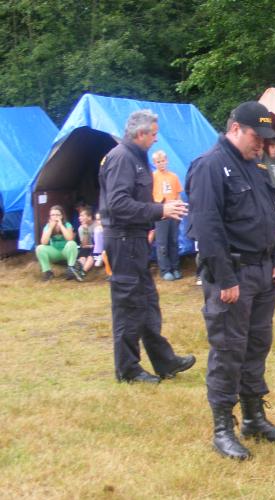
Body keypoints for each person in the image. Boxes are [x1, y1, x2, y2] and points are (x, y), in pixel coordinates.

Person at [185, 101, 275, 461]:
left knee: (256, 346)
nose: (260, 143)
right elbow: (207, 227)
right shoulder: (209, 167)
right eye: (255, 136)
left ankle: (253, 417)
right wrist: (224, 277)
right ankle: (222, 428)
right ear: (234, 129)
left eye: (265, 138)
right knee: (229, 350)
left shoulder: (257, 169)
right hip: (233, 274)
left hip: (263, 272)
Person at [98, 109, 195, 385]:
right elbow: (118, 205)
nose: (156, 138)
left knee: (148, 303)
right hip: (123, 241)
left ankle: (164, 362)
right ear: (140, 134)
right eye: (153, 133)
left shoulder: (135, 158)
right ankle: (128, 370)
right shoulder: (121, 159)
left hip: (136, 240)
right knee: (128, 305)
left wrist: (156, 214)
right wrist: (159, 210)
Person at [152, 150, 183, 281]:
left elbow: (178, 194)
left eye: (163, 161)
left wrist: (179, 207)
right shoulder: (153, 177)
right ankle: (165, 269)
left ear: (167, 161)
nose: (161, 164)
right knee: (162, 243)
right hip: (161, 214)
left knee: (174, 241)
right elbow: (152, 196)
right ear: (154, 163)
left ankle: (175, 267)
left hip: (174, 214)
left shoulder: (173, 177)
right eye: (158, 162)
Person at [35, 205, 83, 282]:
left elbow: (70, 238)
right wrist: (50, 228)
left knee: (72, 243)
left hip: (66, 251)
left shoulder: (67, 225)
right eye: (53, 215)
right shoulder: (47, 226)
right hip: (54, 252)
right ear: (50, 216)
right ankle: (47, 272)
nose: (55, 217)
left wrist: (61, 226)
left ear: (62, 216)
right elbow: (44, 242)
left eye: (57, 215)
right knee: (39, 248)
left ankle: (71, 269)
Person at [76, 205, 95, 276]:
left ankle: (82, 272)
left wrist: (91, 246)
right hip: (87, 248)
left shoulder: (96, 225)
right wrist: (86, 230)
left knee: (92, 253)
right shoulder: (81, 228)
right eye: (79, 216)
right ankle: (78, 268)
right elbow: (84, 245)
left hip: (95, 248)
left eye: (82, 216)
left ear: (89, 217)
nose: (79, 218)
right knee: (83, 251)